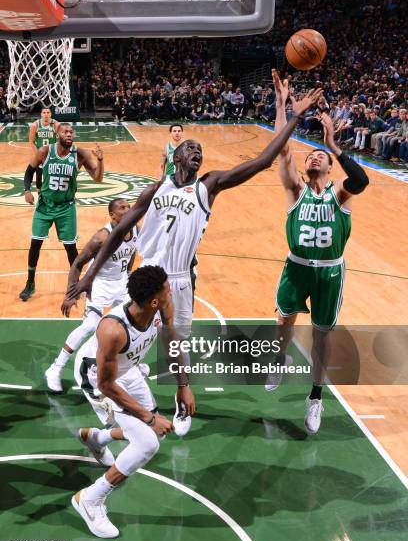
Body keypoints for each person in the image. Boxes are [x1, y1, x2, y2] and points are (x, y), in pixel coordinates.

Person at [64, 78, 323, 430]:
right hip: (147, 273)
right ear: (176, 156)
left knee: (176, 340)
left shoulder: (209, 185)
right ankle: (101, 372)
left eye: (200, 148)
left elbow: (263, 161)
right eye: (190, 147)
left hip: (180, 279)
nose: (197, 151)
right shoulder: (155, 189)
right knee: (127, 330)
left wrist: (293, 116)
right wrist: (88, 275)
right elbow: (120, 231)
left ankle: (179, 398)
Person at [266, 70, 369, 434]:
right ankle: (279, 360)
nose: (313, 158)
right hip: (296, 267)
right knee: (283, 322)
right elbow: (281, 150)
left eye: (319, 156)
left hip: (329, 271)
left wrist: (333, 143)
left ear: (328, 166)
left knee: (322, 335)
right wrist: (281, 104)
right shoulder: (296, 189)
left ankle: (315, 397)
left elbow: (361, 180)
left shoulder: (340, 193)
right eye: (310, 154)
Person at [71, 265, 195, 539]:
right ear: (154, 300)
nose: (170, 290)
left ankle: (99, 438)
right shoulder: (113, 329)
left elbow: (171, 340)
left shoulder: (163, 307)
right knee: (148, 442)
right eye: (166, 289)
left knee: (151, 436)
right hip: (98, 378)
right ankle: (90, 499)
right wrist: (149, 417)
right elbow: (105, 384)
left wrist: (183, 386)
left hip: (127, 372)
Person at [45, 198, 138, 393]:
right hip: (100, 286)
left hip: (121, 286)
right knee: (90, 326)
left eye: (129, 206)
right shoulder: (101, 237)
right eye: (122, 208)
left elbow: (131, 252)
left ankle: (126, 370)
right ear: (112, 215)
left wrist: (128, 274)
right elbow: (78, 263)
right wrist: (71, 294)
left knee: (129, 328)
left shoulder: (136, 229)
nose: (128, 209)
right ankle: (55, 368)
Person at [19, 123, 104, 301]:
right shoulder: (44, 151)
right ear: (57, 135)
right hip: (45, 206)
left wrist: (101, 161)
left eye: (71, 132)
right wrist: (27, 191)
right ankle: (30, 283)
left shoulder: (80, 154)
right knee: (35, 244)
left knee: (70, 248)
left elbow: (98, 178)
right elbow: (28, 173)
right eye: (65, 132)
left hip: (66, 207)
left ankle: (75, 285)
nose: (69, 134)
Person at [29, 107, 59, 193]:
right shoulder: (35, 125)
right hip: (40, 154)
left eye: (48, 112)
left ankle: (54, 191)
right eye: (44, 112)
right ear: (41, 114)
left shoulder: (56, 124)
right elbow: (31, 142)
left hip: (52, 153)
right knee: (39, 174)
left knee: (54, 173)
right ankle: (39, 192)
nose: (46, 114)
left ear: (51, 114)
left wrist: (56, 153)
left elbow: (59, 141)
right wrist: (37, 154)